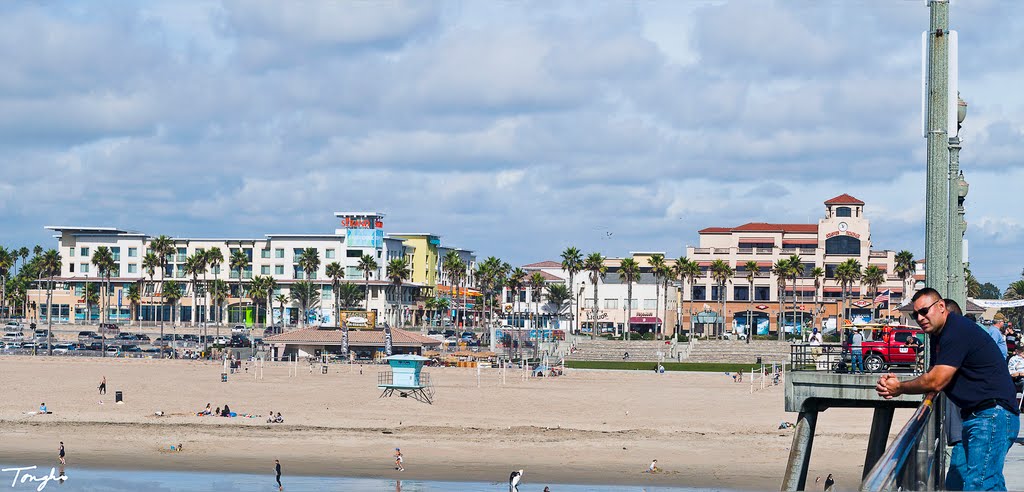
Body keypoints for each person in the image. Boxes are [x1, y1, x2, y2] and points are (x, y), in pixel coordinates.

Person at [876, 288, 1020, 490]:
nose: (920, 318)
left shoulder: (956, 330)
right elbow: (932, 376)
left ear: (941, 306)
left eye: (924, 311)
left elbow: (936, 381)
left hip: (992, 415)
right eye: (914, 314)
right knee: (990, 483)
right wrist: (896, 382)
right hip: (981, 416)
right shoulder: (938, 335)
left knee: (979, 485)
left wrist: (899, 387)